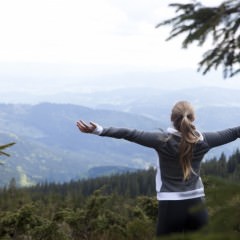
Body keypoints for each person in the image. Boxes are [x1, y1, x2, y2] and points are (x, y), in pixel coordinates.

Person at [76, 100, 240, 236]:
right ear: (193, 119)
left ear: (171, 118)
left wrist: (100, 130)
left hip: (170, 205)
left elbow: (130, 133)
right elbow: (234, 132)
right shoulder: (204, 141)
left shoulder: (162, 140)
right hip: (198, 205)